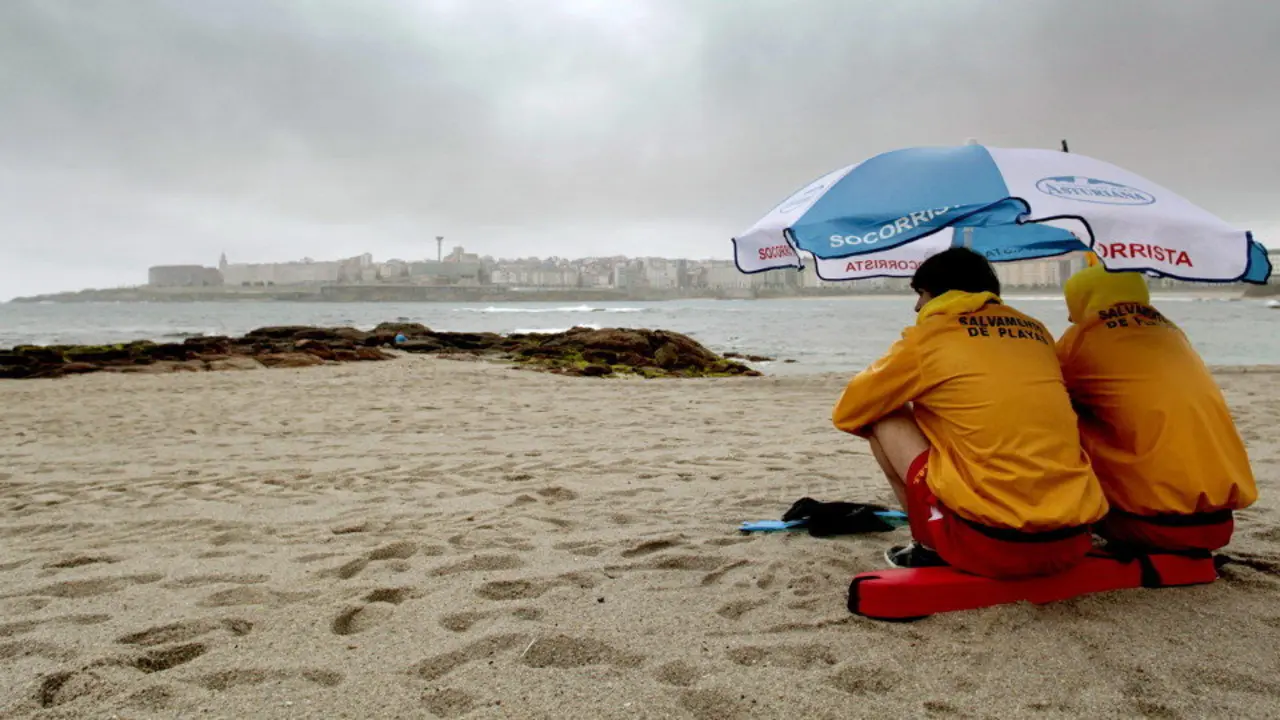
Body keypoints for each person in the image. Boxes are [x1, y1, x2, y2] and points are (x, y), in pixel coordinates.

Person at [831, 247, 1108, 579]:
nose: (916, 305)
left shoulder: (929, 337)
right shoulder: (1037, 331)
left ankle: (928, 545)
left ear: (940, 293)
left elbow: (849, 411)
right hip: (1071, 538)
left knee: (883, 413)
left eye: (920, 293)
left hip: (990, 546)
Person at [1057, 259, 1257, 553]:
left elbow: (1045, 397)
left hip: (1150, 525)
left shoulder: (1082, 339)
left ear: (1083, 298)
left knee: (1059, 417)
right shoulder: (1173, 334)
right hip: (1218, 522)